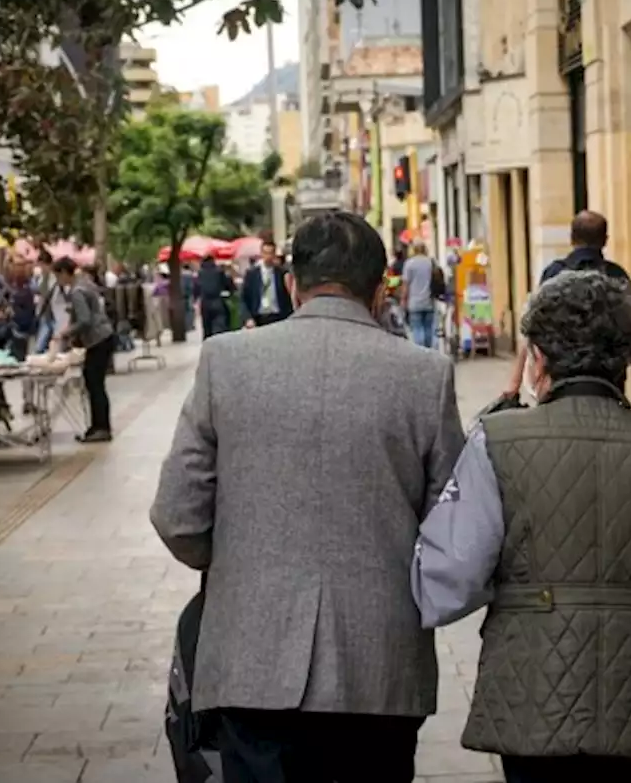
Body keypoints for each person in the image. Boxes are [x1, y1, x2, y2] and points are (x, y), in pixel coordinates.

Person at [412, 271, 631, 783]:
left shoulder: (499, 440)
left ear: (538, 360)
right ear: (626, 359)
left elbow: (445, 584)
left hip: (530, 699)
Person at [151, 211, 466, 783]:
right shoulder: (425, 375)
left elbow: (177, 514)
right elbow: (453, 528)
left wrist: (235, 565)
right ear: (379, 290)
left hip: (252, 660)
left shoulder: (227, 361)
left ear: (292, 283)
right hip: (379, 668)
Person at [504, 210, 631, 411]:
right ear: (605, 240)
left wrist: (515, 382)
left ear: (572, 238)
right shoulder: (617, 276)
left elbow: (531, 329)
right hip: (610, 382)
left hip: (560, 378)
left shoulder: (554, 274)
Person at [53, 257, 116, 443]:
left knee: (94, 383)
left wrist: (66, 332)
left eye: (58, 276)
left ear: (65, 273)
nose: (58, 280)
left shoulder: (77, 291)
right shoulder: (86, 284)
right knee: (94, 382)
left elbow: (85, 319)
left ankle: (101, 427)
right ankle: (97, 426)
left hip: (98, 339)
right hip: (103, 336)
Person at [240, 240, 292, 328]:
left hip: (277, 316)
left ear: (274, 254)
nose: (268, 256)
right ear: (261, 254)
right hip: (259, 317)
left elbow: (288, 297)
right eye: (265, 253)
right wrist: (247, 318)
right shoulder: (252, 274)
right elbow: (244, 298)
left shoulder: (281, 273)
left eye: (271, 253)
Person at [401, 240, 437, 348]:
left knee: (417, 328)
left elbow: (406, 284)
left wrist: (403, 300)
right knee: (428, 328)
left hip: (414, 302)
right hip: (429, 300)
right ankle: (429, 350)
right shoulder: (430, 262)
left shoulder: (409, 264)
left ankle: (420, 350)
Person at [195, 256, 232, 339]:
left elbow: (197, 289)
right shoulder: (219, 271)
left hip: (205, 304)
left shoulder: (200, 273)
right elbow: (228, 286)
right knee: (220, 327)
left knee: (207, 329)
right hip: (218, 301)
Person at [34, 253, 59, 354]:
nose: (42, 268)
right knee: (41, 343)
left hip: (54, 314)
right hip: (44, 314)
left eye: (43, 265)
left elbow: (47, 294)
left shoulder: (55, 278)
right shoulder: (40, 278)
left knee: (53, 342)